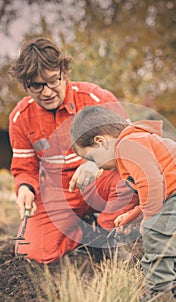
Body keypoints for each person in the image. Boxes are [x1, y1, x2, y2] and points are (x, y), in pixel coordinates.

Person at [70, 105, 176, 302]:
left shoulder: (128, 144)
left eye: (91, 158)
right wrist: (133, 215)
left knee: (155, 232)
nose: (97, 165)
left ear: (101, 141)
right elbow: (156, 190)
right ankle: (175, 284)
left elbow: (151, 184)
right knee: (170, 239)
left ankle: (157, 291)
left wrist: (149, 220)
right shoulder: (133, 146)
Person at [8, 37, 139, 264]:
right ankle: (86, 234)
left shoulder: (95, 99)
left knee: (130, 181)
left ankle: (110, 234)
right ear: (25, 85)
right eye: (36, 86)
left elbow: (132, 143)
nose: (47, 92)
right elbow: (24, 168)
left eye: (52, 81)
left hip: (103, 180)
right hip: (58, 193)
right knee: (29, 250)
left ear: (64, 73)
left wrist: (96, 163)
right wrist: (25, 188)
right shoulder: (20, 117)